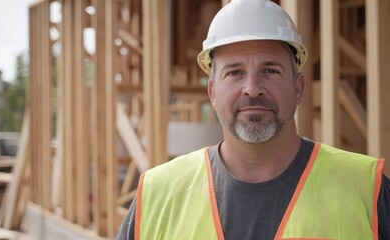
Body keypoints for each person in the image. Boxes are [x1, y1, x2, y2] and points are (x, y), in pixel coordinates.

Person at [117, 0, 390, 239]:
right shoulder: (157, 194)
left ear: (298, 89)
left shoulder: (367, 189)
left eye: (270, 70)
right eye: (234, 73)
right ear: (212, 92)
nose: (252, 87)